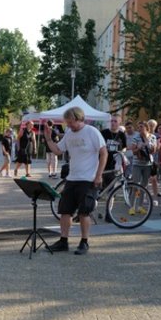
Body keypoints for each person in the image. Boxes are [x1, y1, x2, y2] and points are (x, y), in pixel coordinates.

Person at [43, 106, 107, 255]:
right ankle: (63, 241)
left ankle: (84, 242)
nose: (69, 125)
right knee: (65, 211)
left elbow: (103, 154)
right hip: (72, 178)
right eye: (67, 123)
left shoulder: (92, 132)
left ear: (79, 119)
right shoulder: (69, 134)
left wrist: (99, 175)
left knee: (84, 212)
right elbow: (58, 150)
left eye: (71, 122)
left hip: (88, 179)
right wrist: (47, 138)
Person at [129, 120, 157, 213]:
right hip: (137, 164)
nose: (139, 129)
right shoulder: (136, 137)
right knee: (135, 185)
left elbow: (154, 151)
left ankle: (140, 206)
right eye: (138, 127)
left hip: (147, 164)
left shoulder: (152, 137)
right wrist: (139, 148)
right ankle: (132, 206)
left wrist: (147, 143)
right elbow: (133, 151)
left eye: (141, 127)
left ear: (146, 127)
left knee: (144, 186)